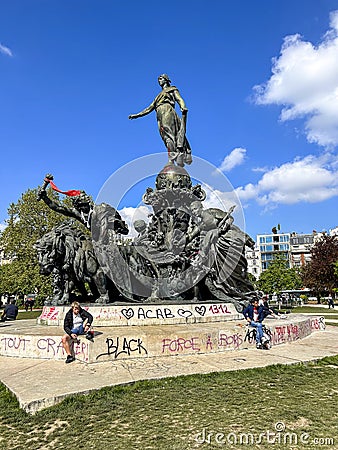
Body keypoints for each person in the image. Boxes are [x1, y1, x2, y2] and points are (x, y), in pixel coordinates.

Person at [129, 74, 192, 167]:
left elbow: (179, 99)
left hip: (167, 111)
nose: (159, 81)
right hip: (159, 115)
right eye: (158, 79)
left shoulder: (172, 89)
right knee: (165, 137)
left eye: (161, 79)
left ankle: (172, 159)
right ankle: (174, 157)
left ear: (166, 80)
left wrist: (183, 107)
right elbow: (149, 108)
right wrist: (137, 115)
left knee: (169, 136)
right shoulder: (158, 96)